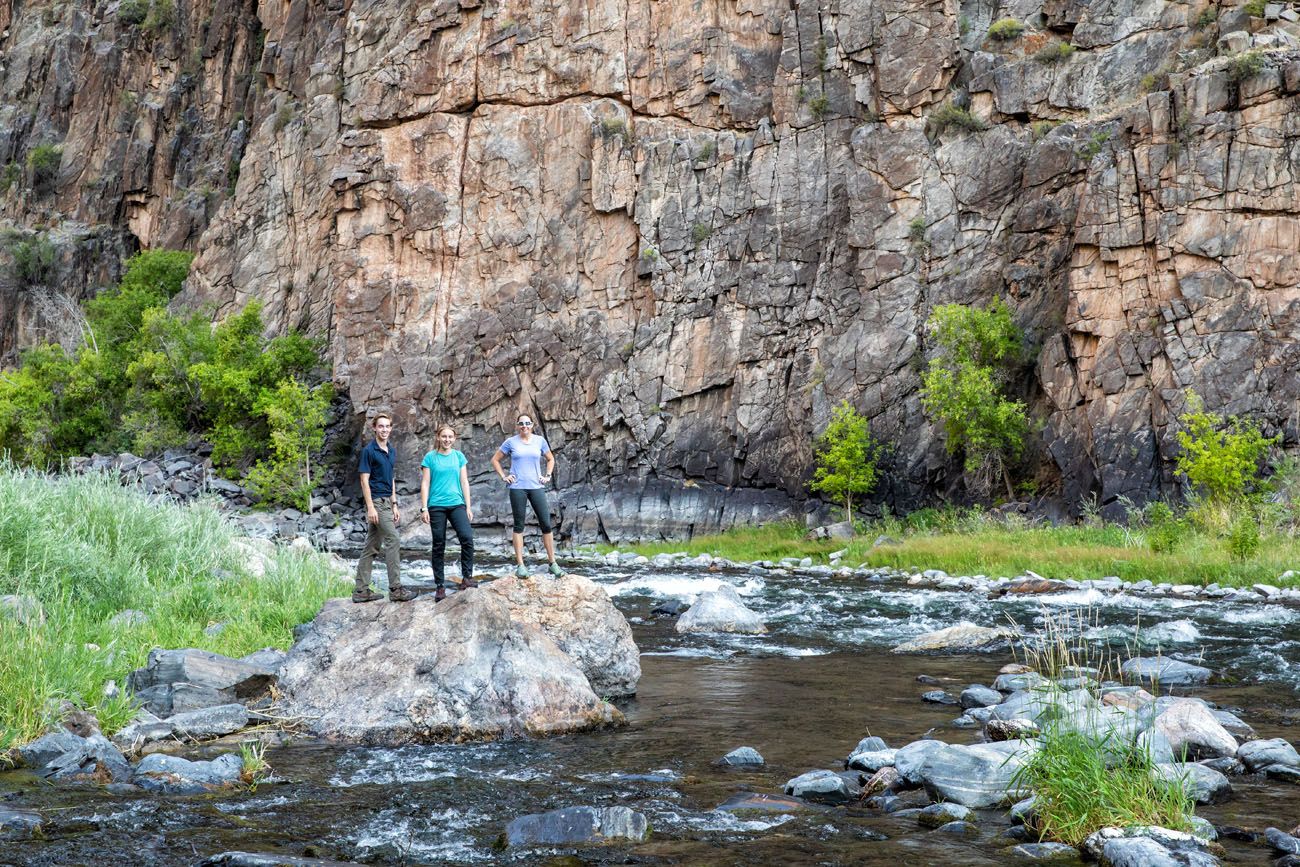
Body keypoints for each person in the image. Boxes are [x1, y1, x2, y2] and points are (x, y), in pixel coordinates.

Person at [353, 413, 418, 603]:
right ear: (374, 428)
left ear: (391, 428)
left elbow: (390, 478)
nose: (384, 429)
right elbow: (364, 481)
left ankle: (360, 591)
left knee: (371, 546)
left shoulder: (391, 450)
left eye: (387, 426)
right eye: (380, 426)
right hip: (376, 502)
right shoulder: (369, 451)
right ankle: (396, 589)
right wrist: (370, 507)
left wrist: (395, 503)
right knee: (393, 539)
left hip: (387, 502)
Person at [491, 414, 564, 578]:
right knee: (519, 525)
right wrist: (504, 476)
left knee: (546, 524)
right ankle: (521, 565)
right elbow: (495, 460)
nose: (524, 426)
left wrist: (547, 475)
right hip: (517, 488)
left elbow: (550, 459)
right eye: (521, 423)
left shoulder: (540, 441)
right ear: (517, 425)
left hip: (536, 487)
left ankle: (552, 563)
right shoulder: (510, 442)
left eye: (527, 423)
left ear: (532, 424)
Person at [419, 424, 477, 601]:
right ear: (438, 437)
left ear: (454, 438)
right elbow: (425, 483)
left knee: (467, 538)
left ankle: (466, 578)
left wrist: (468, 506)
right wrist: (424, 507)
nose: (447, 440)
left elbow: (464, 481)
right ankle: (440, 586)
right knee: (439, 544)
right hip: (436, 506)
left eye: (450, 437)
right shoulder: (430, 457)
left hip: (457, 504)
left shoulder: (459, 456)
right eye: (444, 436)